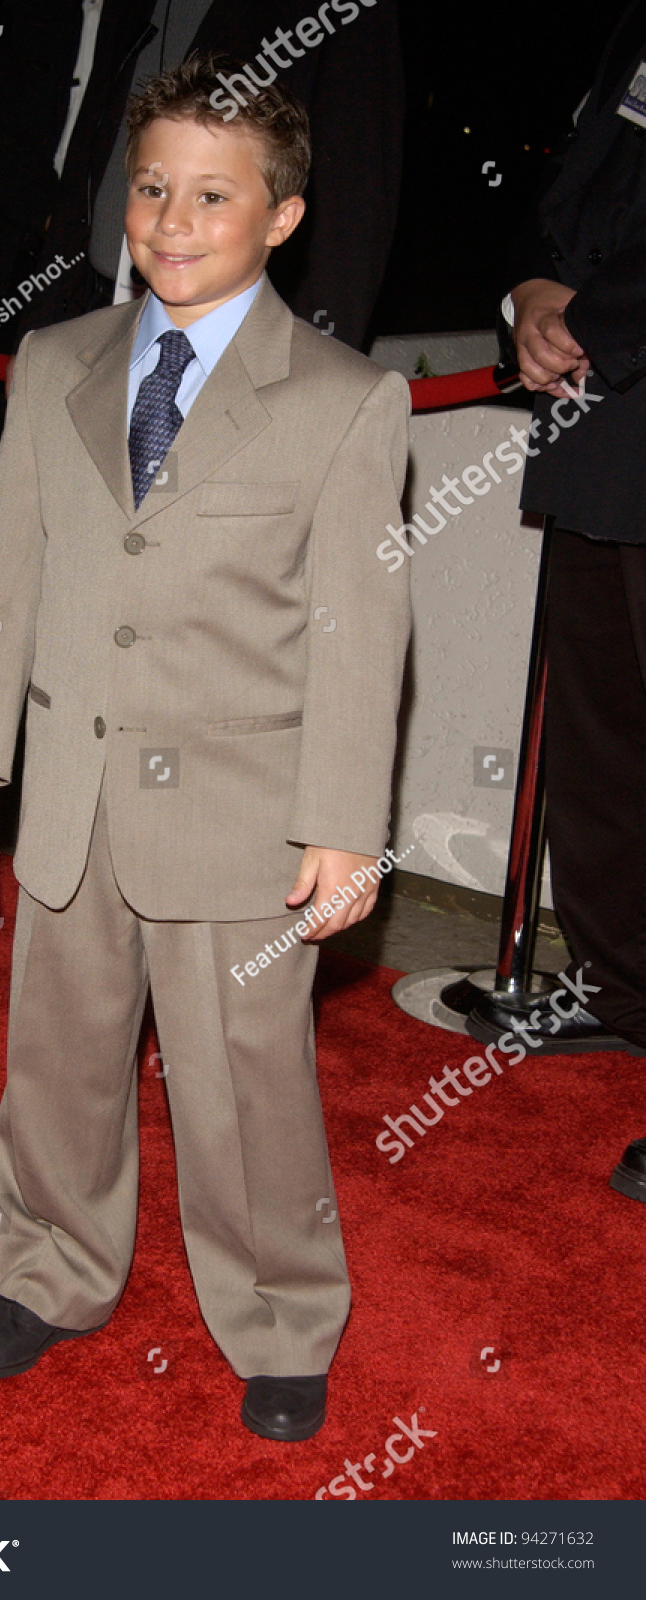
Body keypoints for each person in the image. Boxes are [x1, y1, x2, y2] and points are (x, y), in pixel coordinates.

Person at [0, 56, 410, 1440]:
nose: (171, 218)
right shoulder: (57, 362)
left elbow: (358, 638)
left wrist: (339, 824)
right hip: (70, 794)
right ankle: (50, 1270)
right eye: (151, 187)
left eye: (212, 195)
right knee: (56, 1060)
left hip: (239, 821)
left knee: (243, 1084)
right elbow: (3, 570)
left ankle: (277, 1314)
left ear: (281, 218)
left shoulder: (341, 399)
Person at [465, 1, 646, 1203]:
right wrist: (536, 287)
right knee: (603, 738)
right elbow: (577, 180)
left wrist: (590, 319)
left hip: (620, 363)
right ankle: (626, 985)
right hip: (605, 429)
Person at [0, 0, 404, 354]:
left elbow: (354, 204)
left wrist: (312, 370)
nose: (172, 219)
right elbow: (91, 151)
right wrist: (42, 330)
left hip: (242, 339)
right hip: (96, 311)